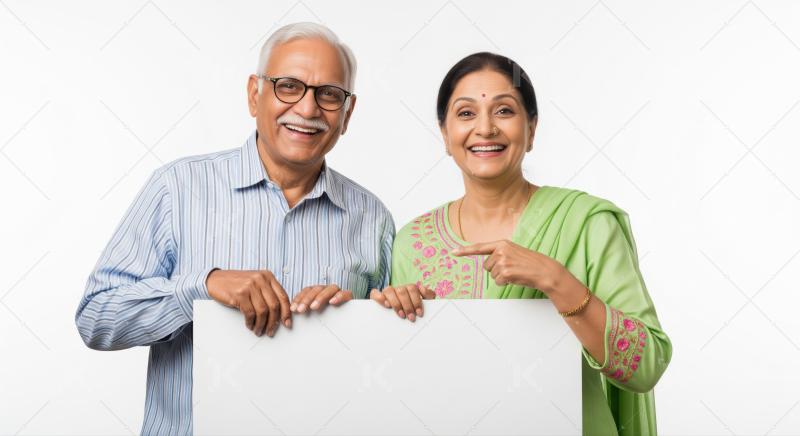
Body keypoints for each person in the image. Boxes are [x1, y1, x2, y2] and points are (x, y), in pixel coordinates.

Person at [75, 22, 394, 435]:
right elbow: (97, 319)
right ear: (254, 94)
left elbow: (383, 368)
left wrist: (352, 324)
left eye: (329, 94)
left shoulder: (373, 218)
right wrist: (202, 287)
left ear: (347, 114)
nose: (309, 109)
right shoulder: (177, 188)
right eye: (289, 86)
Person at [372, 52, 672, 435]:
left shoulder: (586, 223)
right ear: (445, 135)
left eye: (504, 111)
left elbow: (647, 365)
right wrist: (397, 327)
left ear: (531, 129)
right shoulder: (412, 242)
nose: (485, 128)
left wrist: (557, 282)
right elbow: (404, 388)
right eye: (465, 114)